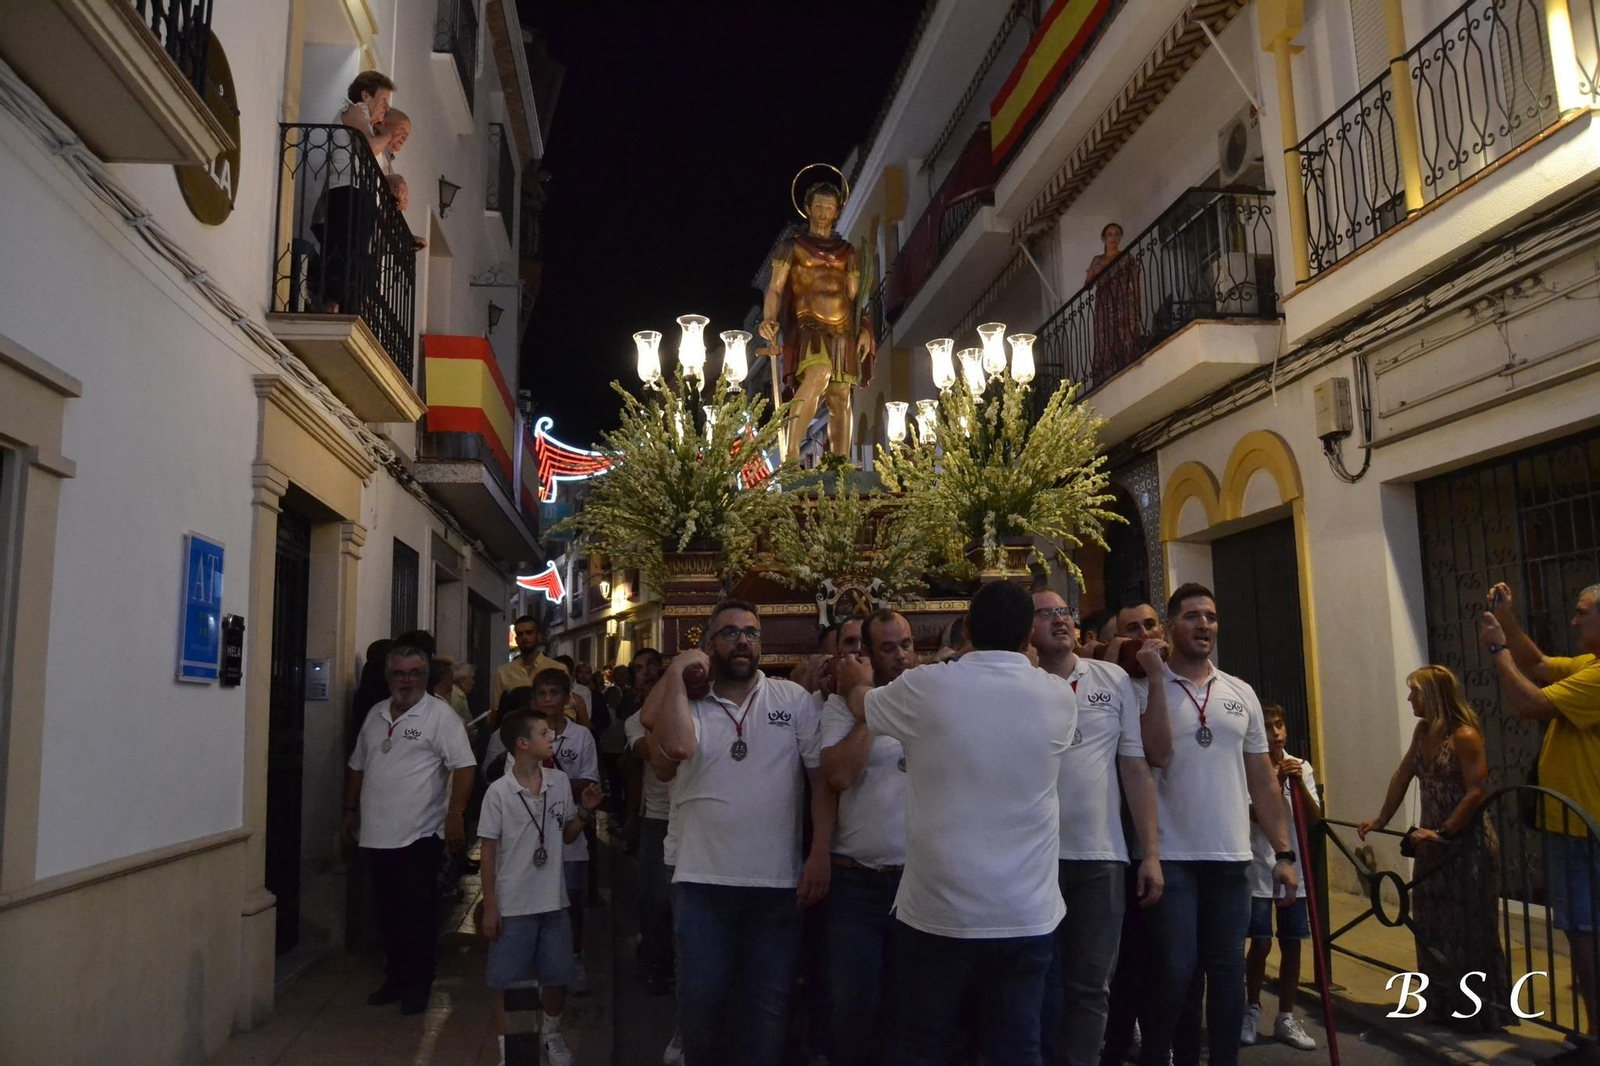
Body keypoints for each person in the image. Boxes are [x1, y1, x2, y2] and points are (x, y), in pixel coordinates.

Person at [835, 581, 1077, 1066]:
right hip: (1024, 909)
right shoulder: (1057, 697)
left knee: (924, 1043)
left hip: (939, 910)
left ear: (967, 628)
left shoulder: (929, 687)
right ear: (1028, 634)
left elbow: (863, 703)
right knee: (1018, 1046)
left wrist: (853, 678)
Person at [642, 599, 833, 1066]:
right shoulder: (687, 702)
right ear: (709, 645)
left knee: (767, 1010)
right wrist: (676, 674)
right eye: (730, 633)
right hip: (702, 881)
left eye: (751, 632)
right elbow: (667, 762)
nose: (743, 641)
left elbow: (821, 783)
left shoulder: (792, 700)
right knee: (700, 1007)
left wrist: (820, 852)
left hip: (774, 885)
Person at [1136, 583, 1296, 1066]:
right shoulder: (1146, 688)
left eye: (1210, 616)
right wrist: (1159, 679)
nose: (1203, 624)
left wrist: (1283, 853)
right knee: (1177, 971)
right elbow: (1155, 755)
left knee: (1227, 972)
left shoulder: (1239, 692)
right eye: (1191, 616)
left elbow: (1263, 782)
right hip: (1174, 856)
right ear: (1170, 626)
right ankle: (1166, 1055)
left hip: (1230, 857)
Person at [1032, 591, 1165, 1066]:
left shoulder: (1111, 679)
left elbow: (1134, 766)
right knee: (1037, 982)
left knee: (1091, 987)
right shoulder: (1021, 682)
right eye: (1044, 613)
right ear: (1026, 628)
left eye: (1064, 611)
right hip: (1034, 859)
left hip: (1101, 858)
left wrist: (1148, 853)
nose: (1058, 620)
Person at [1480, 580, 1600, 1044]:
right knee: (1582, 930)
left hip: (1584, 825)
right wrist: (1507, 619)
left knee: (1585, 931)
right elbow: (1540, 664)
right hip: (1571, 823)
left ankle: (1595, 1035)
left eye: (1582, 611)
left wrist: (1496, 650)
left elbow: (1531, 701)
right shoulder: (1589, 663)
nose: (1573, 620)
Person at [1358, 666, 1510, 1029]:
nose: (1410, 699)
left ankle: (1477, 1010)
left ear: (1435, 695)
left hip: (1465, 843)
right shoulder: (1423, 731)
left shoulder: (1465, 735)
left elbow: (1476, 791)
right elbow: (1403, 775)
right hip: (1432, 844)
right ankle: (1440, 1002)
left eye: (1415, 692)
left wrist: (1444, 831)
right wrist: (1381, 819)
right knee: (1432, 923)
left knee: (1469, 926)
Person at [342, 644, 476, 1014]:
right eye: (399, 673)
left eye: (414, 673)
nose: (406, 680)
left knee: (417, 915)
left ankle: (418, 985)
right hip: (376, 835)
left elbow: (464, 767)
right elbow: (357, 766)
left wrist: (456, 814)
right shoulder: (375, 715)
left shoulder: (440, 716)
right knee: (386, 914)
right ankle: (395, 979)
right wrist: (350, 811)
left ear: (425, 676)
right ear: (388, 678)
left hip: (420, 835)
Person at [480, 708, 603, 1066]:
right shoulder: (500, 793)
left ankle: (551, 1033)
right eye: (544, 734)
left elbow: (565, 835)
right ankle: (510, 1047)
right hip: (514, 902)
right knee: (508, 979)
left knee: (556, 975)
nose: (552, 739)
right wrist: (490, 905)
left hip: (552, 900)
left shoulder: (559, 783)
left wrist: (584, 813)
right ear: (522, 743)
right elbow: (488, 852)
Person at [818, 610, 911, 1066]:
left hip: (918, 884)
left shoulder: (923, 699)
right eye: (888, 648)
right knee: (853, 1008)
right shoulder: (839, 707)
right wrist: (868, 706)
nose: (901, 656)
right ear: (869, 656)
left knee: (910, 1010)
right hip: (857, 884)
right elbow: (838, 774)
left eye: (907, 645)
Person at [760, 182, 876, 462]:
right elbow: (775, 288)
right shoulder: (792, 247)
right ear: (808, 209)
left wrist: (865, 328)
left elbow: (854, 297)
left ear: (837, 212)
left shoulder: (847, 252)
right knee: (819, 372)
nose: (824, 212)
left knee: (839, 395)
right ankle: (790, 455)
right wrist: (769, 319)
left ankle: (839, 465)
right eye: (819, 206)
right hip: (808, 323)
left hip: (843, 326)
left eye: (829, 207)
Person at [1243, 702, 1322, 1049]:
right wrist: (1275, 779)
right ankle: (1252, 1008)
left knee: (1292, 944)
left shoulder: (1301, 767)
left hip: (1296, 871)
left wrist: (1297, 782)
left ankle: (1286, 1017)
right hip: (1260, 865)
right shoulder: (1251, 766)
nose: (1276, 733)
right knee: (1260, 941)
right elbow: (1259, 813)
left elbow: (1316, 818)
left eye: (1279, 725)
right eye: (1269, 726)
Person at [534, 668, 599, 996]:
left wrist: (550, 782)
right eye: (542, 694)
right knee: (538, 901)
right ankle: (543, 961)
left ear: (567, 698)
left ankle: (575, 957)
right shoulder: (528, 735)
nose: (548, 700)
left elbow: (589, 782)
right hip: (533, 833)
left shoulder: (581, 737)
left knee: (572, 899)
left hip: (571, 829)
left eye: (554, 693)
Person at [623, 648, 675, 994]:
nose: (646, 672)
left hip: (692, 817)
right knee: (653, 898)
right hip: (657, 818)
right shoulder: (634, 721)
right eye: (639, 669)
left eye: (652, 666)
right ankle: (656, 962)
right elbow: (653, 757)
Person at [494, 616, 588, 726]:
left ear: (538, 636)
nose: (524, 637)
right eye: (520, 634)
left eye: (529, 633)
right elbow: (497, 711)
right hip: (516, 736)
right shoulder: (503, 672)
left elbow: (568, 709)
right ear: (516, 639)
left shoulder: (558, 668)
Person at [1086, 222, 1141, 379]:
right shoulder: (1097, 260)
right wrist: (1092, 274)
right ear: (1103, 239)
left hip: (1124, 300)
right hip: (1105, 304)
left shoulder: (1127, 258)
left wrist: (1137, 305)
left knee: (1126, 332)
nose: (1113, 237)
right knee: (1106, 336)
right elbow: (1088, 285)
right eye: (1110, 234)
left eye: (1116, 234)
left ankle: (1128, 365)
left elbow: (1136, 282)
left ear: (1120, 238)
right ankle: (1107, 371)